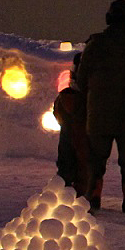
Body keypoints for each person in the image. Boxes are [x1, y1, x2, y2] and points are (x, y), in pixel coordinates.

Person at [76, 0, 125, 213]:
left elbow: (81, 79)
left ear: (108, 18)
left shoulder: (95, 44)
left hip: (98, 113)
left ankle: (93, 196)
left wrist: (85, 106)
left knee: (95, 158)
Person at [53, 53, 96, 202]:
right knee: (83, 163)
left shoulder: (64, 95)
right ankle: (82, 198)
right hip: (82, 133)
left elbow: (56, 112)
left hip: (67, 131)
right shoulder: (87, 97)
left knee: (65, 163)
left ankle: (63, 195)